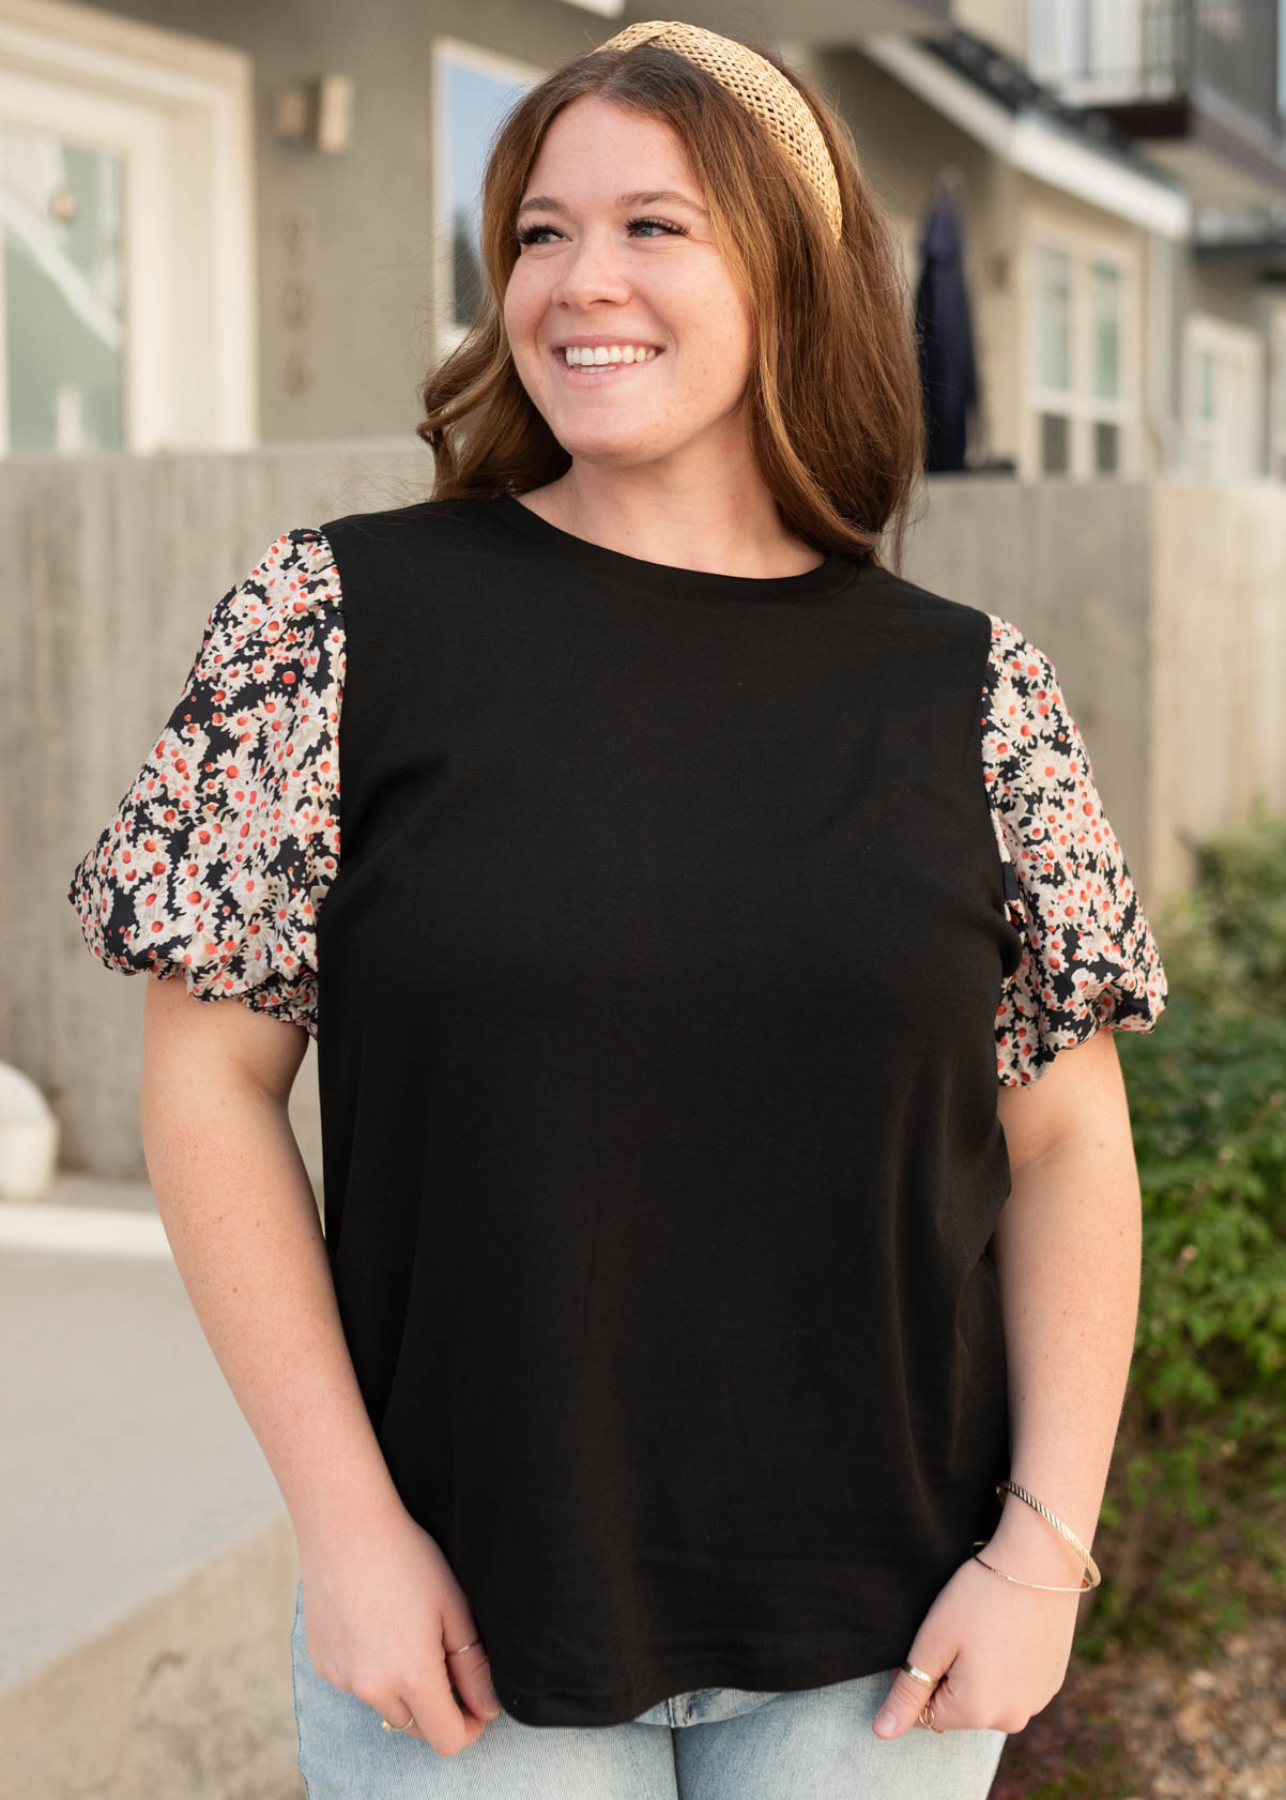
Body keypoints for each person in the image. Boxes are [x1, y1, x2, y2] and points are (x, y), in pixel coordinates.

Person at [66, 21, 1169, 1800]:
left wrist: (1043, 1545)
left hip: (884, 1644)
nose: (581, 283)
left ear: (792, 273)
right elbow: (206, 1088)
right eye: (537, 232)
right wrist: (346, 1528)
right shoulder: (334, 623)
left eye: (656, 226)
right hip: (467, 1626)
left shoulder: (974, 693)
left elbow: (1064, 1152)